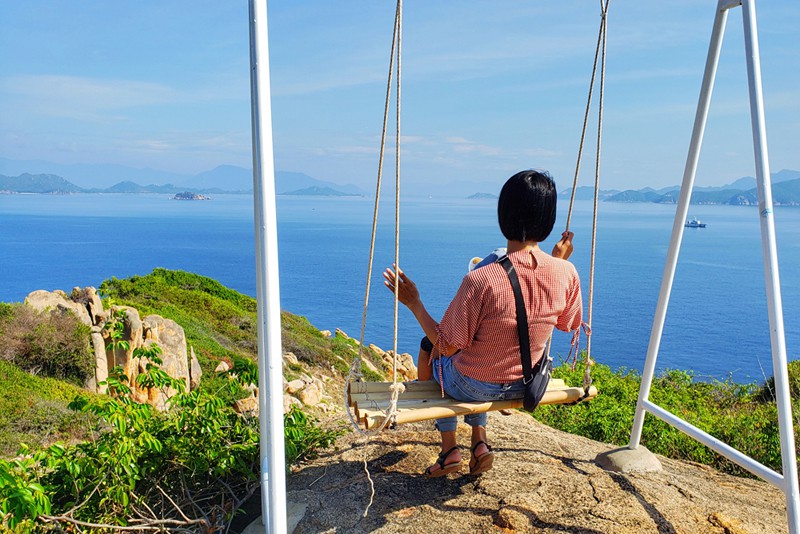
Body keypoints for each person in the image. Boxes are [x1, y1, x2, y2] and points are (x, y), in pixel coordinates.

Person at [383, 170, 582, 477]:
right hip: (526, 385)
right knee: (482, 349)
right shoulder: (566, 273)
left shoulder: (481, 279)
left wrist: (414, 302)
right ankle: (479, 442)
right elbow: (568, 324)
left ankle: (449, 448)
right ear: (549, 221)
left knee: (432, 351)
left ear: (504, 215)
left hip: (473, 388)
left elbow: (446, 342)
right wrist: (559, 260)